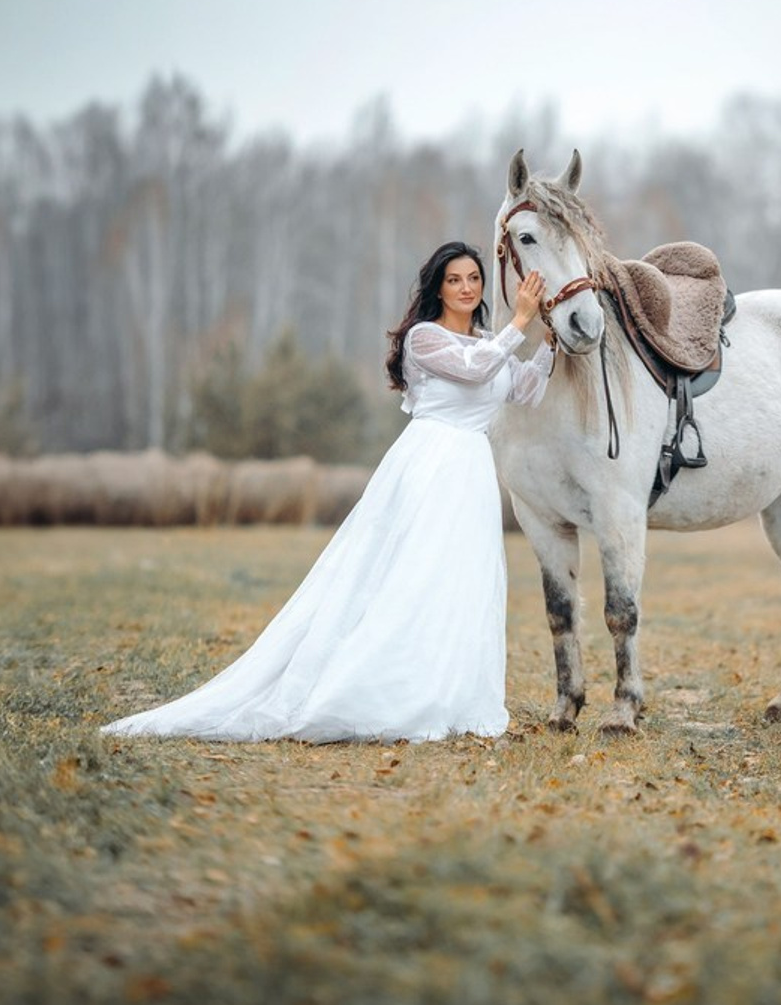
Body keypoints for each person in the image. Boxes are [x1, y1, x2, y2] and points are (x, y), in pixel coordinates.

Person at [102, 242, 554, 743]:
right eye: (455, 279)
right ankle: (372, 692)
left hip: (471, 473)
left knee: (459, 582)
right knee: (410, 575)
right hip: (428, 466)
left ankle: (448, 692)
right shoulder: (425, 340)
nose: (467, 287)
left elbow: (527, 389)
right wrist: (522, 321)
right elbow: (475, 370)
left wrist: (554, 336)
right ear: (437, 287)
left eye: (473, 278)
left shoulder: (491, 340)